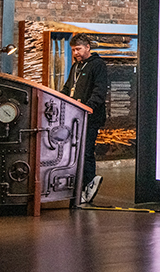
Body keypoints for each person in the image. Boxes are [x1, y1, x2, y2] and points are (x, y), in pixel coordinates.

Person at [61, 33, 108, 204]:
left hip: (90, 117)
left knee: (86, 151)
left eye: (79, 49)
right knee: (76, 152)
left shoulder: (98, 65)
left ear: (88, 47)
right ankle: (79, 185)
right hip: (75, 118)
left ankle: (89, 183)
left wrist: (88, 108)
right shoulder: (76, 67)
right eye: (73, 50)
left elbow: (99, 91)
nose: (76, 53)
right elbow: (68, 88)